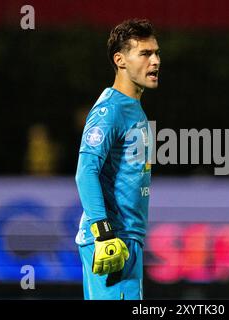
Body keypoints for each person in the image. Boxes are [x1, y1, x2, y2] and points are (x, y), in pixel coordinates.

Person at [74, 18, 160, 300]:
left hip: (128, 241)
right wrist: (103, 233)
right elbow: (85, 171)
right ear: (120, 60)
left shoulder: (133, 109)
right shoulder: (110, 110)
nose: (155, 61)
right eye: (145, 54)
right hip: (111, 242)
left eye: (156, 53)